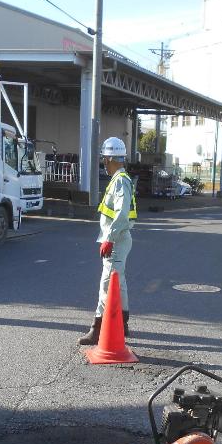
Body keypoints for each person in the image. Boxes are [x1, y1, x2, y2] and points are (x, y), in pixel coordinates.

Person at [78, 137, 137, 346]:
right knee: (119, 284)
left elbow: (121, 214)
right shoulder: (119, 179)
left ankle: (97, 329)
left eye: (105, 158)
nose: (103, 162)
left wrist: (109, 239)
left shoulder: (120, 180)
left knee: (107, 284)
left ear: (111, 158)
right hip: (119, 239)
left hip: (117, 240)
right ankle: (123, 323)